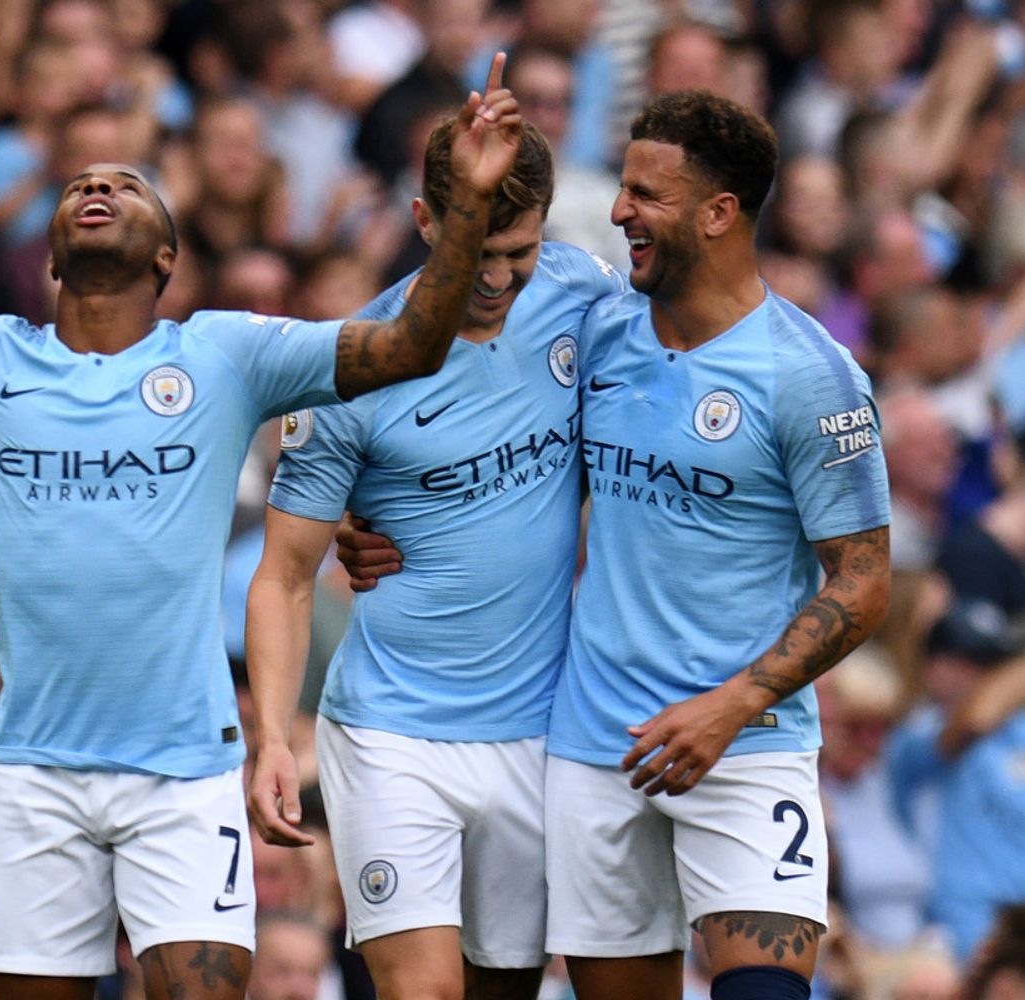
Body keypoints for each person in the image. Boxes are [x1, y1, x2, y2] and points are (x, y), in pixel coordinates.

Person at [0, 30, 523, 1000]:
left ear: (167, 254)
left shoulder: (224, 353)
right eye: (78, 186)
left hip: (184, 767)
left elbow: (410, 345)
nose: (97, 188)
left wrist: (467, 207)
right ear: (49, 253)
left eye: (127, 187)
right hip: (32, 768)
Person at [340, 91, 892, 1000]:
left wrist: (732, 704)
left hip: (746, 744)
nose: (621, 211)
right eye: (625, 187)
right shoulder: (598, 333)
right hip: (598, 746)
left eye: (647, 194)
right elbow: (493, 443)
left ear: (720, 213)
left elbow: (864, 583)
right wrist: (376, 522)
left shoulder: (812, 378)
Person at [245, 114, 621, 1000]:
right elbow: (284, 575)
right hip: (392, 731)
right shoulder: (354, 366)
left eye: (516, 251)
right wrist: (268, 738)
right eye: (473, 249)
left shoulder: (585, 294)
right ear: (423, 220)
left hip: (538, 729)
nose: (494, 277)